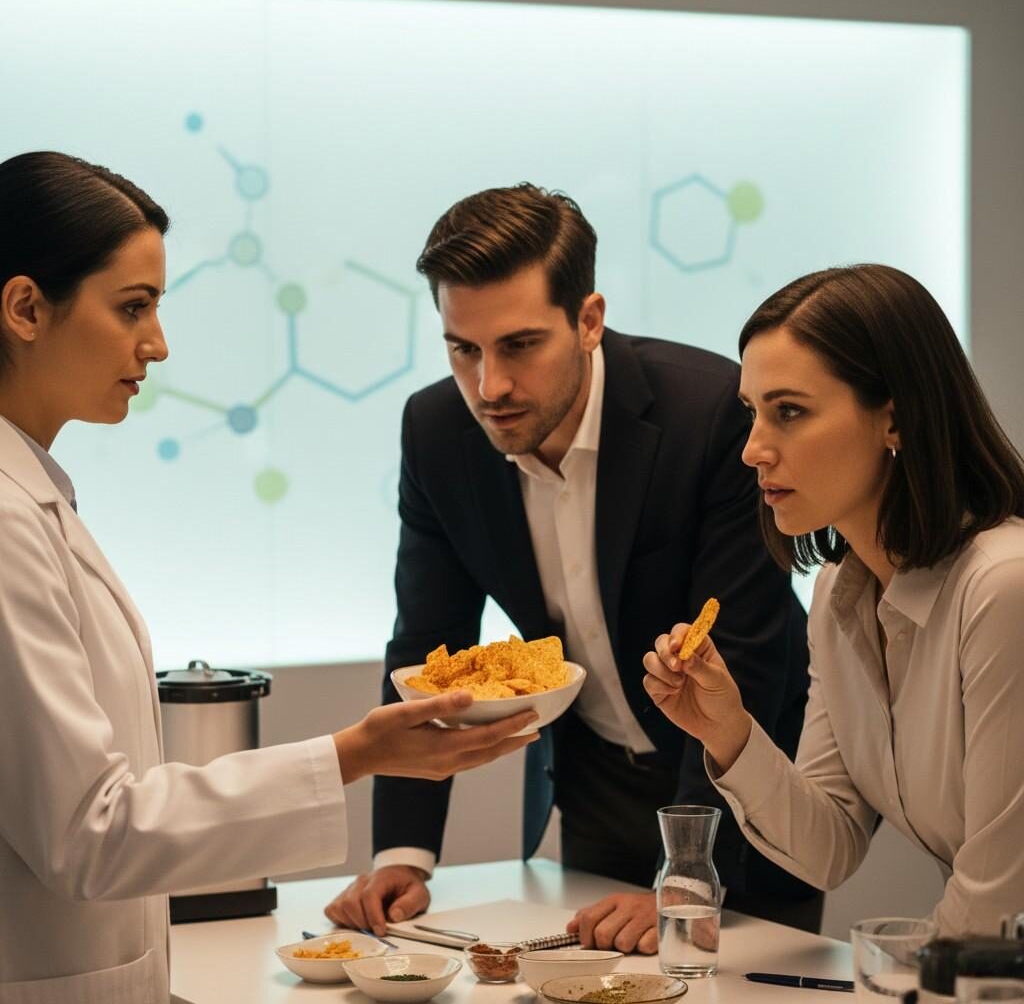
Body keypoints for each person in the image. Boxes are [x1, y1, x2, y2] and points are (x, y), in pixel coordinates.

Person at [0, 151, 539, 1003]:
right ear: (26, 308)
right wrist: (355, 753)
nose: (158, 344)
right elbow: (91, 834)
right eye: (132, 307)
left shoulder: (31, 496)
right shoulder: (4, 518)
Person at [325, 183, 822, 949]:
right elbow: (428, 645)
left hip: (746, 793)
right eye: (464, 349)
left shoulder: (711, 412)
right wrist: (405, 854)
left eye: (519, 345)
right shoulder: (435, 431)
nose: (489, 388)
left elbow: (746, 649)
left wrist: (687, 876)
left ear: (588, 321)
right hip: (594, 790)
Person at [643, 263, 1024, 936]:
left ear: (896, 421)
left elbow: (994, 903)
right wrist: (726, 730)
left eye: (789, 412)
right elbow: (829, 849)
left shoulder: (1003, 587)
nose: (753, 450)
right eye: (751, 414)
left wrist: (888, 977)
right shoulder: (837, 595)